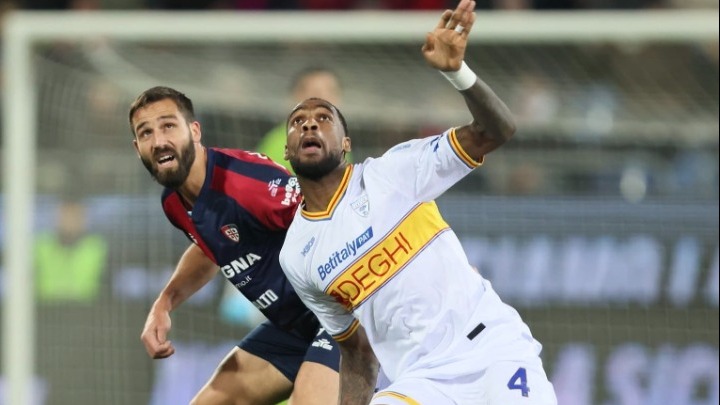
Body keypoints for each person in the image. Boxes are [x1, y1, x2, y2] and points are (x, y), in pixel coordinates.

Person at [278, 1, 558, 404]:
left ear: (346, 143)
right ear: (287, 149)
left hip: (491, 350)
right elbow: (356, 351)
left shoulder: (396, 171)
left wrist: (457, 73)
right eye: (298, 121)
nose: (309, 123)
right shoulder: (296, 255)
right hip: (421, 381)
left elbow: (496, 130)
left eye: (324, 118)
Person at [128, 86, 340, 404]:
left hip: (340, 316)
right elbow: (209, 249)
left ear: (194, 131)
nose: (159, 141)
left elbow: (331, 222)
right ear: (137, 147)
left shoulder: (246, 184)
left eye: (168, 126)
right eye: (146, 133)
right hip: (292, 328)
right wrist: (164, 303)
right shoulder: (173, 203)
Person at [255, 66, 346, 173]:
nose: (325, 100)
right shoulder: (277, 145)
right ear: (296, 97)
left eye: (331, 91)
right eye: (316, 93)